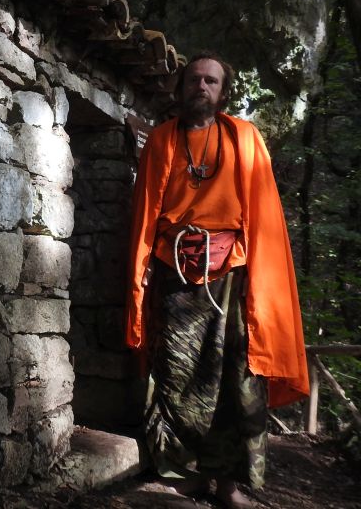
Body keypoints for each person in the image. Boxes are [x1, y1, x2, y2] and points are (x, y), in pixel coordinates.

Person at [125, 51, 309, 508]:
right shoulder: (163, 141)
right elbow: (145, 215)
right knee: (174, 376)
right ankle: (189, 473)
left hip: (232, 277)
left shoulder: (245, 138)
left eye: (210, 81)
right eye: (193, 80)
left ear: (223, 92)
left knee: (236, 378)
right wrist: (141, 278)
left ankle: (228, 484)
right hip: (175, 275)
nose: (201, 88)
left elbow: (262, 217)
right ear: (181, 88)